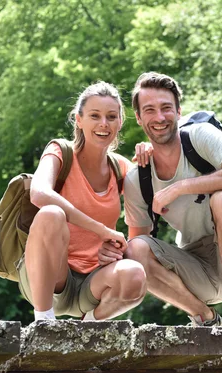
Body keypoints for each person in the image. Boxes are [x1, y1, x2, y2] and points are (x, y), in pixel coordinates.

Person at [98, 72, 222, 330]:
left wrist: (180, 187)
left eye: (166, 108)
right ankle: (205, 317)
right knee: (133, 250)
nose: (159, 117)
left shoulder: (200, 136)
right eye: (149, 110)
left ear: (179, 111)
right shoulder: (138, 180)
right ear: (138, 117)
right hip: (202, 273)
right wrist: (112, 254)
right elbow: (139, 251)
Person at [19, 81, 147, 321]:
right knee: (51, 214)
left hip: (92, 285)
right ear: (78, 119)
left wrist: (149, 153)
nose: (103, 124)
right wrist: (101, 230)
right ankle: (44, 322)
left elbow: (152, 197)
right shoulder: (60, 151)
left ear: (120, 122)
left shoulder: (120, 168)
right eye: (94, 116)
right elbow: (39, 193)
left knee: (135, 274)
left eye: (111, 117)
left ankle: (88, 328)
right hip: (49, 280)